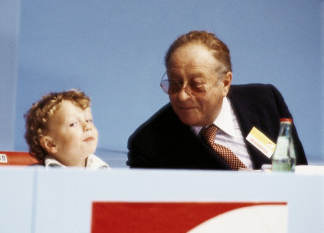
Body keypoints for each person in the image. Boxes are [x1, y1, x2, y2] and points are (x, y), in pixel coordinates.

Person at [127, 30, 307, 170]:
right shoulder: (149, 144)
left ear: (225, 83)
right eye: (174, 84)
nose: (182, 96)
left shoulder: (266, 101)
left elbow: (300, 174)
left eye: (196, 85)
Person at [25, 89, 109, 169]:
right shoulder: (35, 175)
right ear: (50, 144)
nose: (87, 127)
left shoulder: (104, 171)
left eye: (89, 120)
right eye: (73, 124)